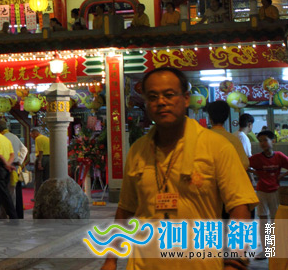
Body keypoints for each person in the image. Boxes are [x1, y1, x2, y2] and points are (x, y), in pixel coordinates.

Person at [101, 67, 258, 270]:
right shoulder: (138, 150)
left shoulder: (216, 146)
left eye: (169, 95)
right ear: (146, 103)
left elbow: (240, 206)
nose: (161, 102)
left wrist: (235, 261)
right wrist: (111, 260)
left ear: (185, 99)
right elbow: (125, 209)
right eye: (153, 97)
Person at [249, 129, 288, 258]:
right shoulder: (256, 158)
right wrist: (256, 173)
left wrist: (281, 176)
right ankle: (266, 250)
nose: (262, 143)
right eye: (260, 141)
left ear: (273, 141)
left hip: (275, 192)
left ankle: (277, 247)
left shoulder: (279, 156)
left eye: (265, 140)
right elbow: (244, 165)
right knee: (264, 221)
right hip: (261, 192)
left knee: (275, 221)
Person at [206, 100, 249, 171]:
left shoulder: (202, 137)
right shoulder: (234, 140)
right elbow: (245, 164)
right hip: (230, 176)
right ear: (226, 117)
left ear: (210, 118)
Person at [0, 125, 27, 219]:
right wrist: (19, 160)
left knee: (3, 191)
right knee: (13, 191)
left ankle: (4, 214)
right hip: (15, 167)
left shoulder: (1, 138)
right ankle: (13, 214)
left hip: (4, 167)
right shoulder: (14, 137)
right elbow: (24, 149)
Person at [32, 128, 50, 196]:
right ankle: (47, 195)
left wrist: (39, 162)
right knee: (47, 178)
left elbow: (41, 151)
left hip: (42, 158)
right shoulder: (46, 138)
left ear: (35, 134)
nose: (32, 137)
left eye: (32, 135)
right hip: (49, 158)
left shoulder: (38, 138)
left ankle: (38, 196)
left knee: (38, 179)